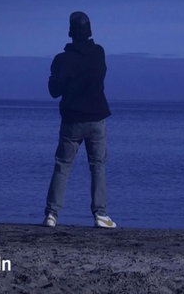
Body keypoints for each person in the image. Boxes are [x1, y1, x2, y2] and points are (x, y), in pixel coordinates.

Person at [43, 11, 116, 228]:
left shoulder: (61, 60)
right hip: (96, 118)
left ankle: (51, 215)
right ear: (90, 31)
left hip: (72, 120)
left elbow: (54, 91)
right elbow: (99, 76)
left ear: (70, 33)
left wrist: (57, 79)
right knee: (98, 166)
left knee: (62, 166)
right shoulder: (98, 53)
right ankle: (101, 215)